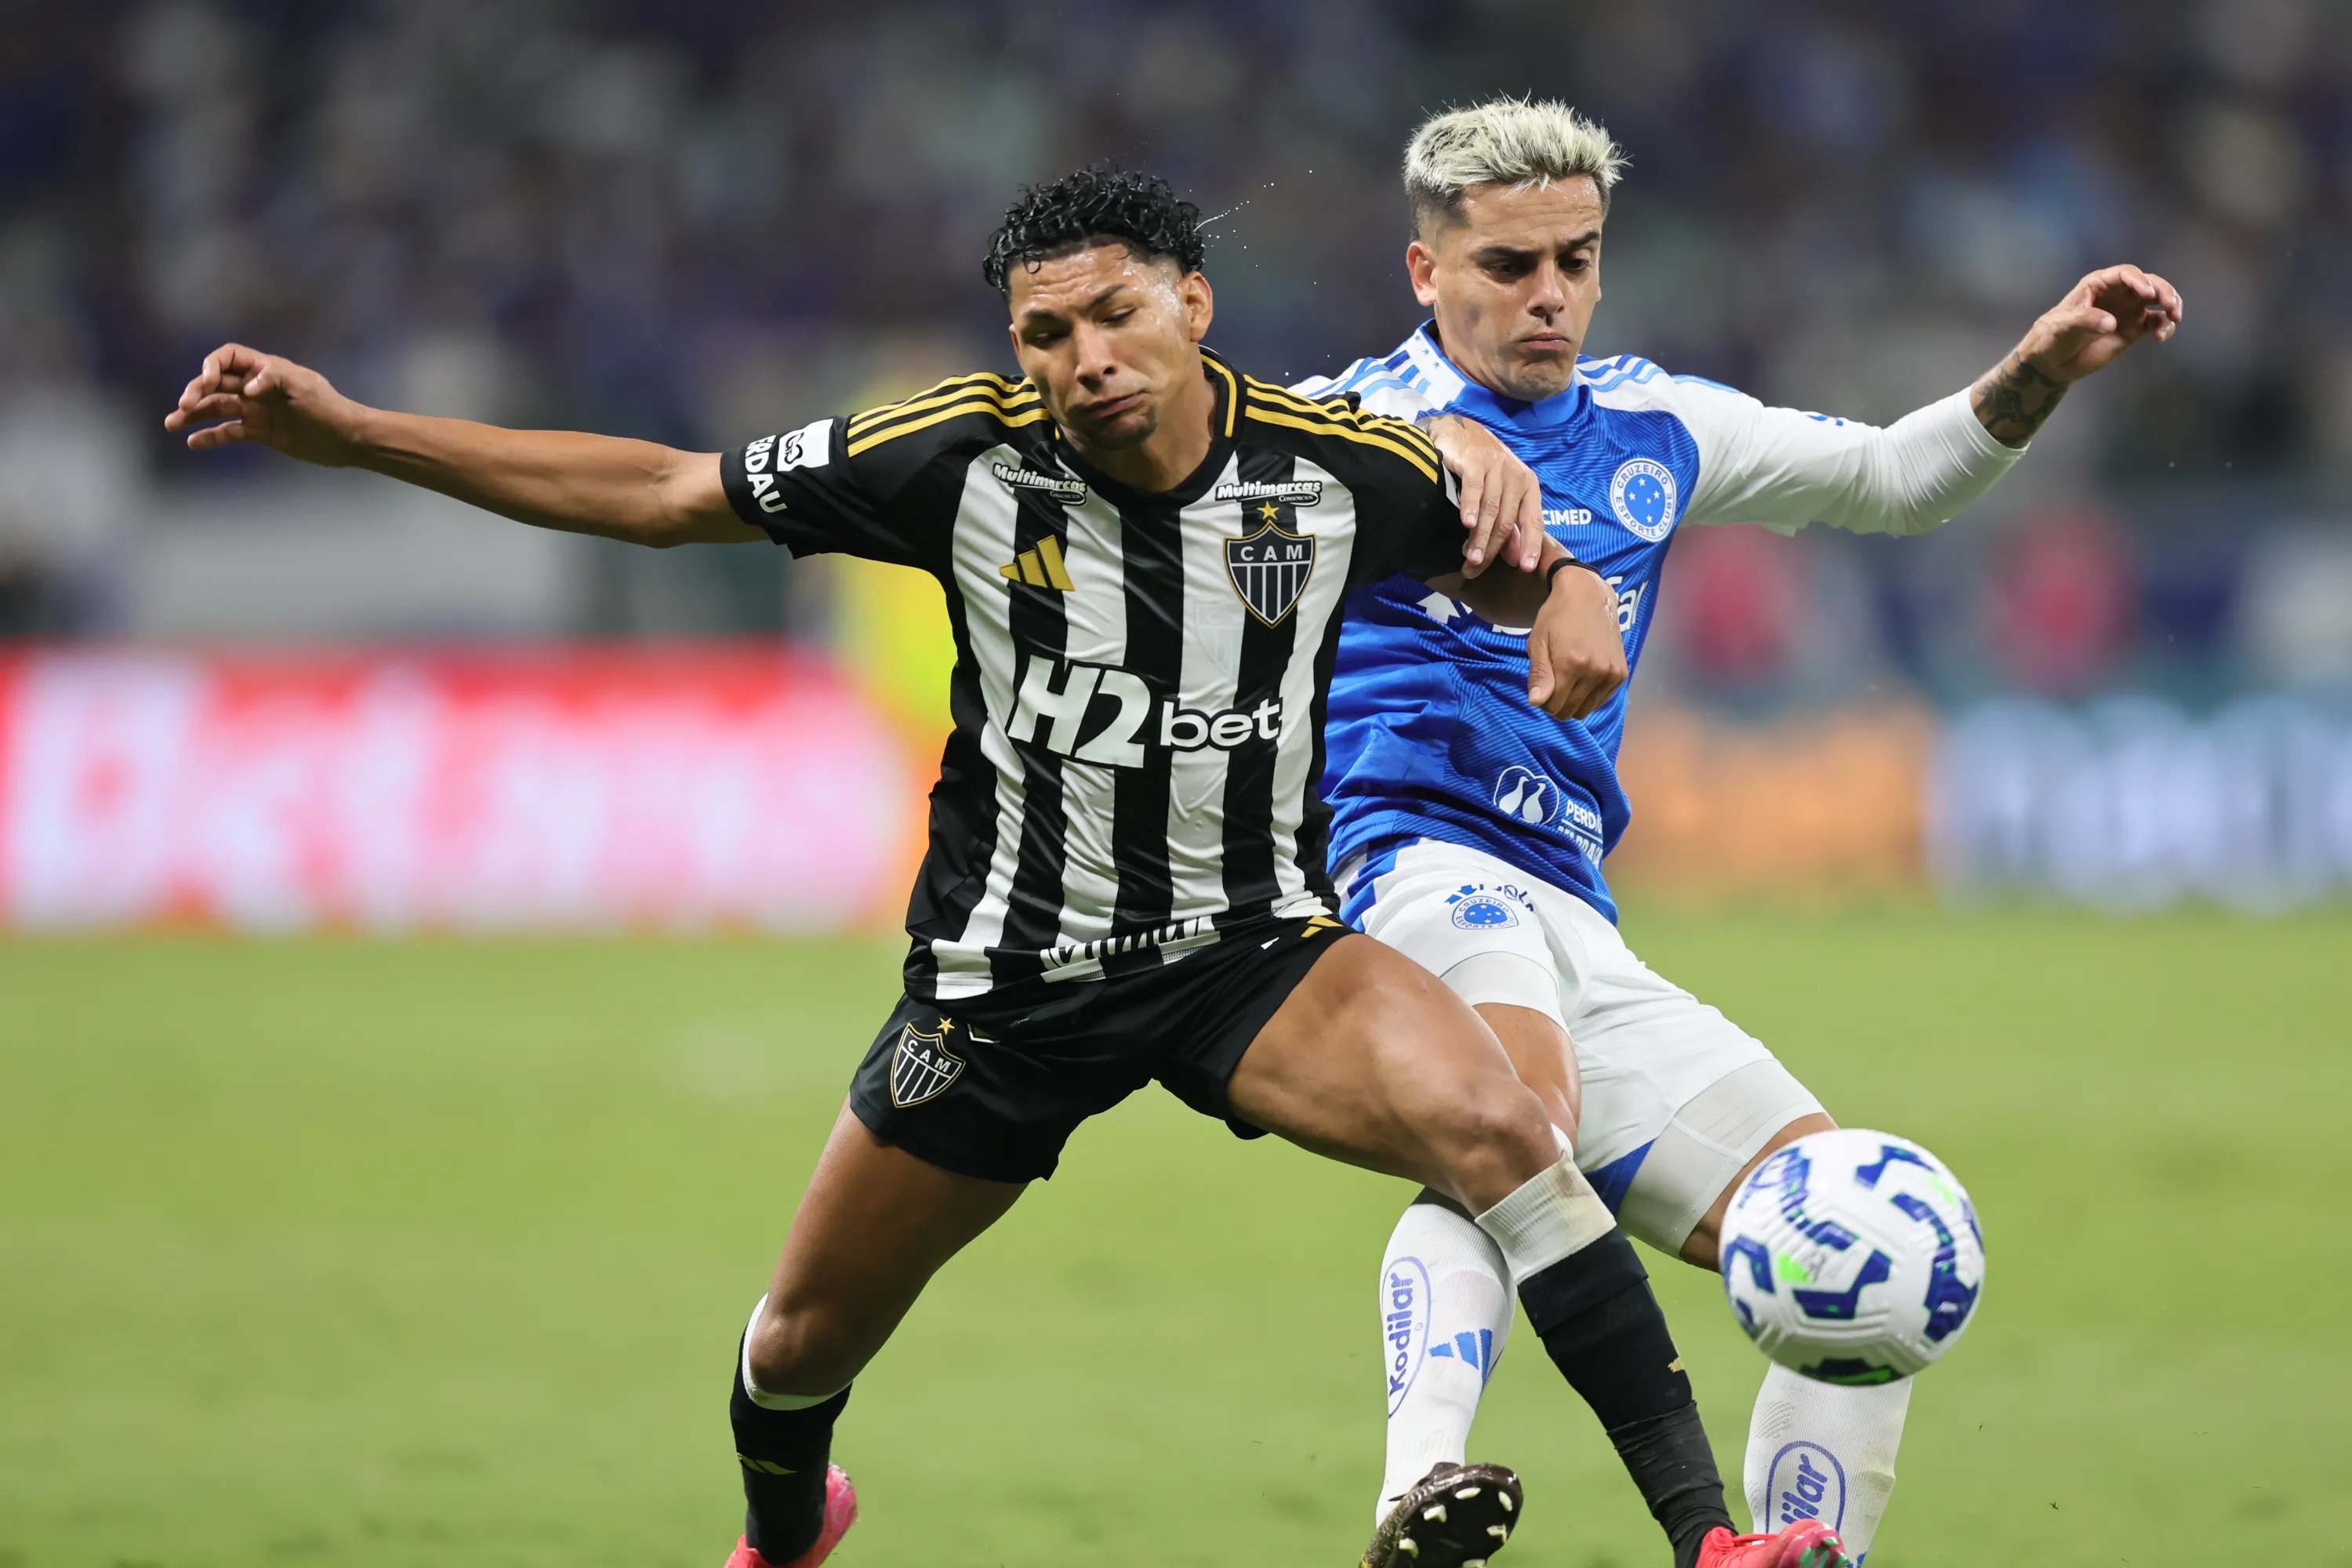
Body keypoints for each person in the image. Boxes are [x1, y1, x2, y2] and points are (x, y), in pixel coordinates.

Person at [164, 168, 1759, 1568]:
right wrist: (353, 432)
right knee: (797, 1348)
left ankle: (1712, 1537)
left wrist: (1564, 585)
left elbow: (1506, 557)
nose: (1085, 360)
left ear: (1193, 305)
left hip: (1248, 953)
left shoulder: (1330, 467)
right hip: (1006, 990)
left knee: (1504, 1131)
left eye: (1115, 315)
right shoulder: (954, 458)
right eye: (1044, 335)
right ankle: (786, 1530)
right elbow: (662, 492)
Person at [1296, 98, 2181, 1566]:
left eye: (1578, 259)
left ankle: (1798, 1553)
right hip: (1408, 860)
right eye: (1509, 265)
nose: (1551, 294)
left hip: (1572, 905)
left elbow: (1893, 480)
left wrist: (2038, 368)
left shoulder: (1655, 424)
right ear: (1424, 270)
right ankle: (1417, 1487)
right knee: (1514, 1123)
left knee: (1862, 1235)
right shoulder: (1344, 426)